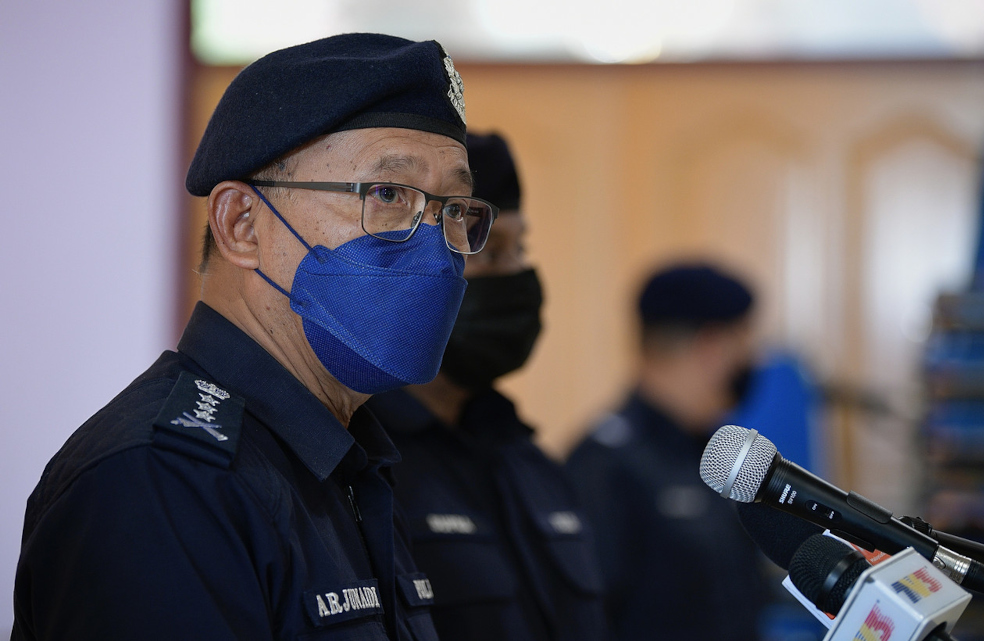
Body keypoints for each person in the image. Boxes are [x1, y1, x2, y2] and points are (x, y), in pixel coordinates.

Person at [11, 33, 496, 641]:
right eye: (388, 194)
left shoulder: (346, 461)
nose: (435, 245)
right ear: (241, 224)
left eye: (454, 207)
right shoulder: (163, 482)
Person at [365, 132, 609, 641]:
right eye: (491, 254)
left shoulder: (531, 463)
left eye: (521, 249)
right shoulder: (366, 463)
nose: (518, 275)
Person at [565, 263, 768, 641]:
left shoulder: (717, 453)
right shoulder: (605, 466)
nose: (751, 362)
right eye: (743, 344)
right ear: (711, 347)